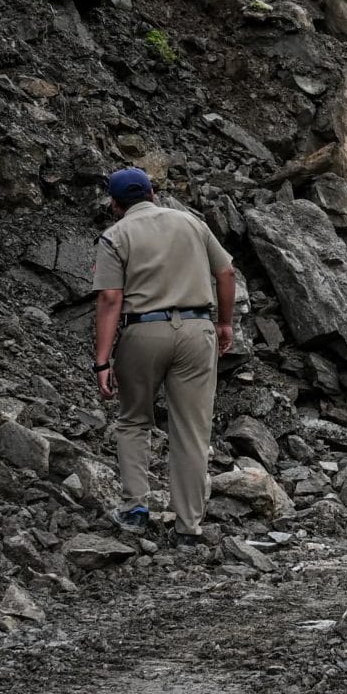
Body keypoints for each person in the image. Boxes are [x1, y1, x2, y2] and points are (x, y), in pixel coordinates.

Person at [91, 167, 235, 543]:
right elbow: (227, 273)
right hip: (196, 328)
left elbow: (109, 298)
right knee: (190, 430)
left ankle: (136, 508)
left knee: (134, 420)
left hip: (143, 331)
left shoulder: (115, 235)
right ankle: (188, 527)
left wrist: (102, 360)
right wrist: (224, 324)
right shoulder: (192, 224)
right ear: (153, 193)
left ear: (115, 203)